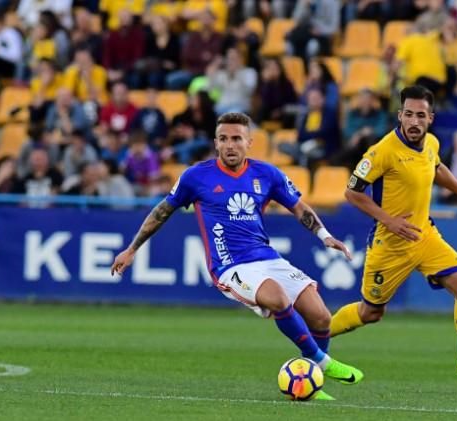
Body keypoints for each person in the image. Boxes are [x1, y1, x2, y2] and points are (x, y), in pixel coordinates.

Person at [111, 112, 364, 400]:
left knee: (321, 318)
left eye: (236, 139)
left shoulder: (267, 174)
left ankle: (312, 385)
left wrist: (325, 236)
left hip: (267, 257)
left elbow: (299, 207)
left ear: (249, 142)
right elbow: (161, 212)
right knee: (279, 298)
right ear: (216, 143)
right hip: (230, 266)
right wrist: (132, 249)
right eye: (223, 139)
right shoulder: (196, 176)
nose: (229, 145)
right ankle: (322, 363)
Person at [329, 86, 457, 388]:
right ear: (399, 115)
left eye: (420, 115)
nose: (413, 121)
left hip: (424, 236)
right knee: (370, 313)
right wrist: (389, 220)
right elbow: (351, 192)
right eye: (408, 114)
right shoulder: (383, 151)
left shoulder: (432, 143)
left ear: (430, 119)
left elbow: (436, 167)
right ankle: (316, 333)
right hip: (390, 243)